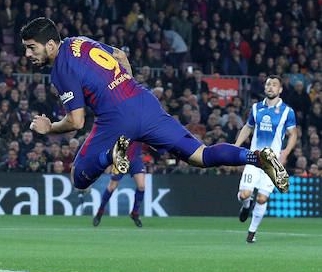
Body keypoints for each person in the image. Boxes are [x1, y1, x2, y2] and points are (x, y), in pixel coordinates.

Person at [21, 17, 288, 197]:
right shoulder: (80, 41)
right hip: (143, 100)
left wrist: (49, 127)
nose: (28, 55)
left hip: (116, 117)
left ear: (52, 44)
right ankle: (257, 158)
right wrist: (126, 84)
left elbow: (77, 122)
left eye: (32, 48)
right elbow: (120, 55)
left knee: (78, 179)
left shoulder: (60, 69)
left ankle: (112, 155)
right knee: (201, 156)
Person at [233, 76, 297, 243]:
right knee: (243, 194)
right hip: (254, 158)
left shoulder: (287, 111)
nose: (271, 87)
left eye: (274, 85)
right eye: (268, 84)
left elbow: (293, 134)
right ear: (265, 88)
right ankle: (246, 205)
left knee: (262, 198)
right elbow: (248, 127)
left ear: (280, 90)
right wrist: (236, 146)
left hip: (272, 162)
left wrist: (286, 152)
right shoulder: (256, 108)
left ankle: (251, 233)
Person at [92, 141, 147, 227]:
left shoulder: (140, 127)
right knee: (112, 187)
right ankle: (100, 211)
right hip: (120, 159)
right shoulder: (120, 128)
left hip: (136, 159)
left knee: (141, 186)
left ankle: (134, 213)